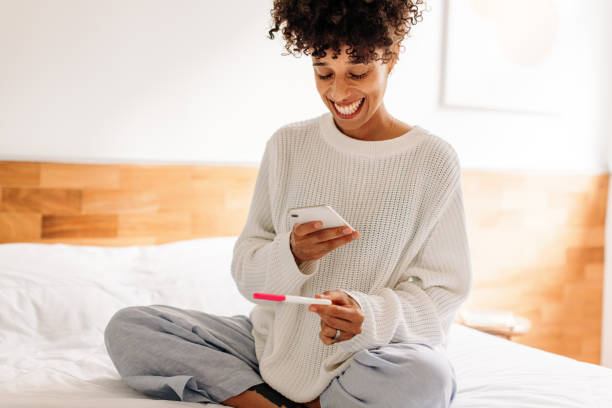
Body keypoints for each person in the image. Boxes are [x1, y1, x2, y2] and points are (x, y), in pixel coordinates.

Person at [103, 1, 472, 407]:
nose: (339, 92)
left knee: (428, 377)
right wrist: (291, 254)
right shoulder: (288, 145)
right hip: (268, 345)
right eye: (323, 72)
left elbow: (443, 292)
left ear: (393, 55)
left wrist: (368, 314)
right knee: (131, 327)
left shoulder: (432, 160)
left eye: (358, 72)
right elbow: (246, 273)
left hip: (364, 354)